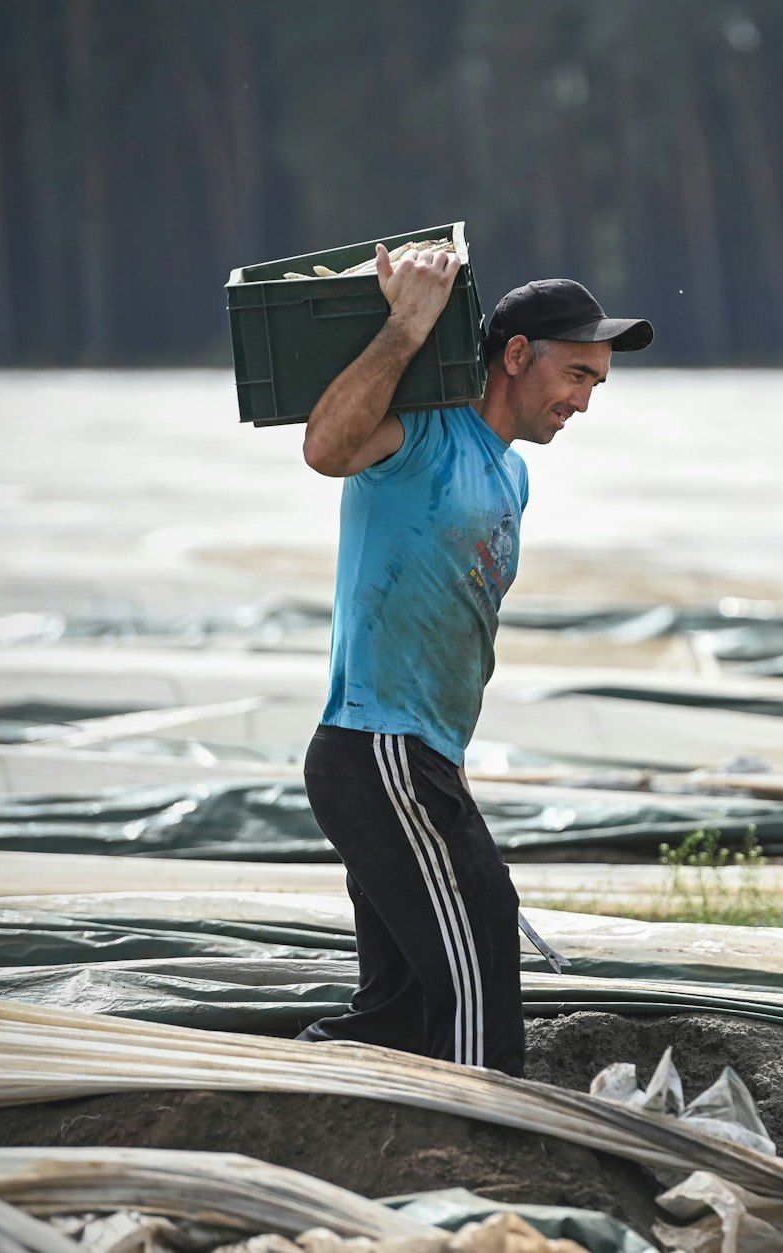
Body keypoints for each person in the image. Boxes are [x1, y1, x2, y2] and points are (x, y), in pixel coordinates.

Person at [294, 244, 652, 1076]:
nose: (583, 401)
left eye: (596, 383)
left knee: (403, 1006)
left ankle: (309, 1095)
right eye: (575, 375)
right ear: (516, 356)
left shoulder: (513, 475)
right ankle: (484, 1145)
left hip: (424, 756)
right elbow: (323, 446)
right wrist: (406, 325)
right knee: (482, 950)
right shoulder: (418, 429)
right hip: (375, 746)